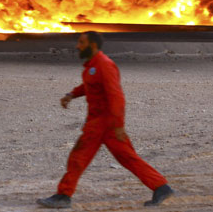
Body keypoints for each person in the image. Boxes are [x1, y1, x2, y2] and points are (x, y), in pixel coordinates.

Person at [37, 31, 174, 208]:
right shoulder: (93, 66)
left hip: (104, 123)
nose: (78, 46)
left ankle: (63, 196)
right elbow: (90, 85)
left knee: (79, 157)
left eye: (81, 42)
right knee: (126, 157)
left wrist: (118, 125)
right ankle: (161, 187)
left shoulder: (104, 65)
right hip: (100, 123)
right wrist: (72, 94)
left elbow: (116, 96)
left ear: (92, 45)